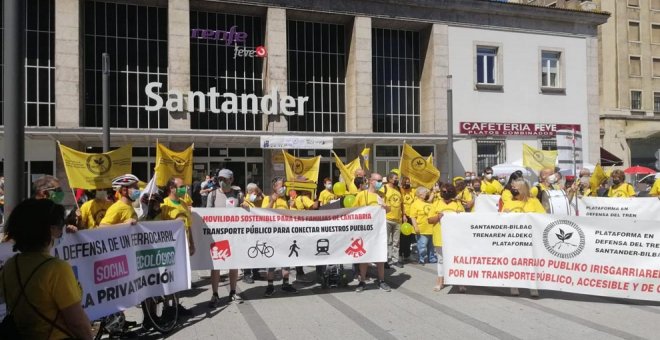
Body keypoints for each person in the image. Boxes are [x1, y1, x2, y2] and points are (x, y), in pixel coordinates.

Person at [0, 199, 92, 339]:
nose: (62, 229)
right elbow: (77, 323)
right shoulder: (57, 268)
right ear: (51, 229)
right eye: (60, 224)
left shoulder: (11, 265)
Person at [205, 169, 245, 306]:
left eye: (225, 179)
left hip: (233, 236)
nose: (222, 182)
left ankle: (233, 292)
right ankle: (215, 294)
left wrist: (246, 207)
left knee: (233, 265)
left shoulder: (238, 195)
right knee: (216, 265)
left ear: (231, 180)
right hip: (218, 236)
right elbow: (207, 215)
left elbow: (244, 214)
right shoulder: (213, 195)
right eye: (220, 179)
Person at [500, 179, 543, 297]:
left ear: (523, 189)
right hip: (514, 239)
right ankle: (514, 286)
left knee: (531, 262)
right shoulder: (509, 202)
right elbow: (501, 220)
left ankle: (533, 287)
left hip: (530, 239)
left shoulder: (533, 202)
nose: (513, 190)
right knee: (514, 263)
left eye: (516, 188)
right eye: (512, 188)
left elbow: (543, 218)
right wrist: (505, 215)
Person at [353, 172, 391, 292]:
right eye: (378, 180)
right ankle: (362, 281)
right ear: (371, 181)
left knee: (380, 257)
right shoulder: (361, 195)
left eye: (381, 181)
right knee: (364, 257)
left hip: (379, 231)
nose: (380, 183)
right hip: (365, 231)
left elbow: (389, 209)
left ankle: (381, 281)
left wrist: (384, 206)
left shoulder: (381, 195)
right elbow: (353, 211)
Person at [261, 177, 298, 297]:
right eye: (280, 185)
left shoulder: (286, 199)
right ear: (274, 187)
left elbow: (292, 216)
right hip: (272, 235)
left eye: (284, 186)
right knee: (271, 261)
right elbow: (263, 213)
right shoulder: (267, 198)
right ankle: (270, 286)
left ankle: (286, 284)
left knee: (286, 260)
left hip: (285, 235)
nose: (283, 188)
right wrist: (272, 201)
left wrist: (292, 206)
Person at [427, 183, 465, 292]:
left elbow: (464, 220)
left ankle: (460, 282)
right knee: (441, 260)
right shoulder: (436, 203)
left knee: (457, 259)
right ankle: (440, 281)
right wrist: (438, 217)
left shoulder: (457, 204)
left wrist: (460, 215)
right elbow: (429, 220)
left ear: (453, 193)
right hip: (440, 236)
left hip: (455, 237)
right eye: (443, 191)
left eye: (448, 192)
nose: (446, 193)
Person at [409, 187, 436, 265]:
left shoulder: (428, 203)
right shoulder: (415, 204)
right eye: (425, 192)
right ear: (420, 194)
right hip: (421, 229)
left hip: (431, 228)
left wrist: (433, 192)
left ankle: (432, 258)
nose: (426, 194)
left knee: (431, 246)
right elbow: (413, 216)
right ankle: (421, 259)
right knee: (422, 245)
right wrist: (415, 227)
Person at [384, 172, 404, 268]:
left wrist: (403, 215)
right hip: (387, 219)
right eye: (395, 178)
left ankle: (395, 260)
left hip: (397, 220)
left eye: (397, 178)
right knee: (387, 241)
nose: (397, 180)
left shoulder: (398, 190)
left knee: (396, 242)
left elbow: (401, 204)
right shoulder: (384, 189)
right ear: (390, 179)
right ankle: (386, 260)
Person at [399, 176, 415, 262]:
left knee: (409, 236)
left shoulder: (413, 190)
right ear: (402, 182)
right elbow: (401, 203)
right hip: (403, 215)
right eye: (406, 182)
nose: (408, 183)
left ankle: (407, 254)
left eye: (409, 182)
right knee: (402, 236)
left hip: (411, 215)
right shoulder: (400, 190)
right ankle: (400, 254)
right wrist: (403, 214)